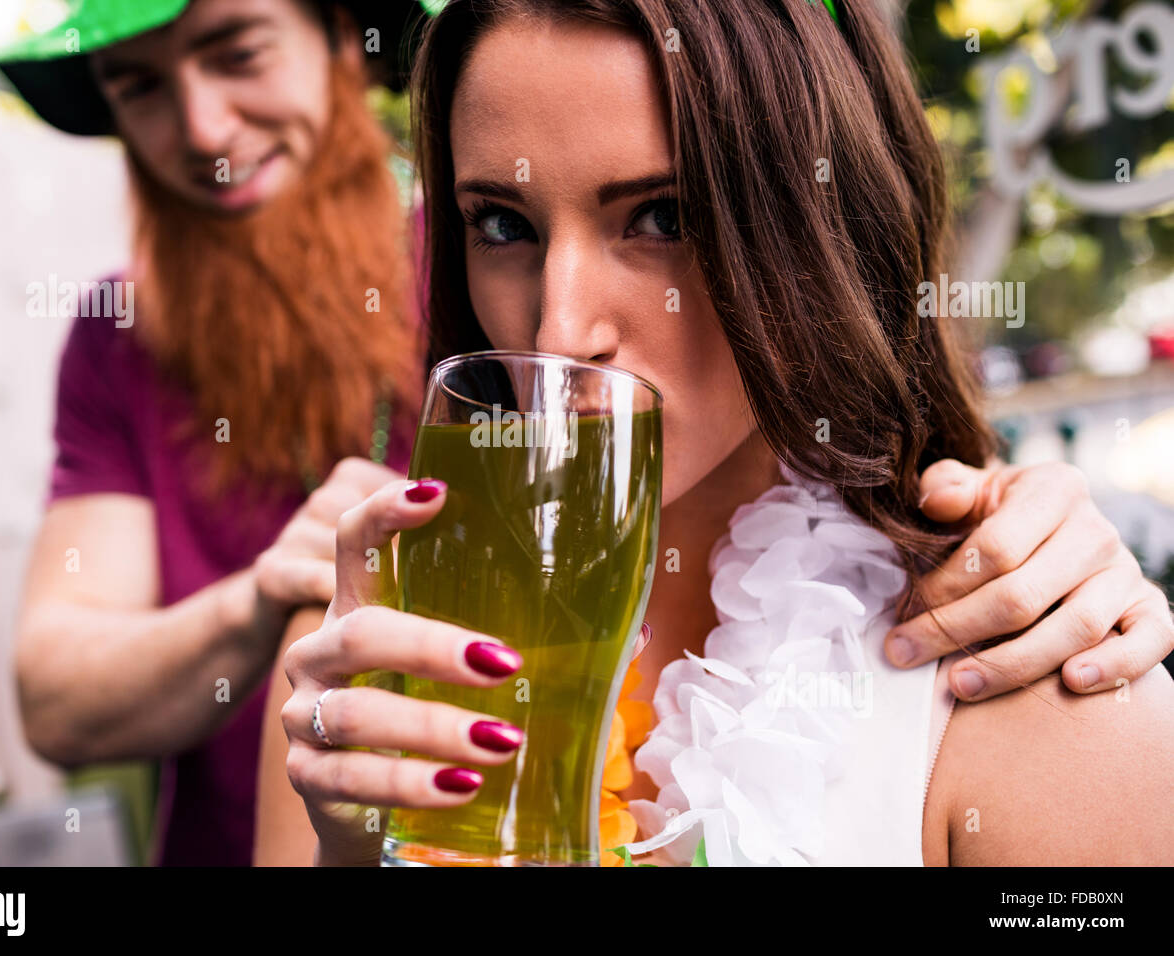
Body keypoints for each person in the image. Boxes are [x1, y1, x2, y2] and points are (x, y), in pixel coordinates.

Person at [276, 0, 1174, 866]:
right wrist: (353, 854)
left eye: (665, 216)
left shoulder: (1039, 686)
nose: (560, 332)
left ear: (824, 224)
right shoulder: (376, 648)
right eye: (503, 224)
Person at [0, 0, 434, 865]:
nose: (201, 127)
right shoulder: (117, 341)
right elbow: (56, 695)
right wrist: (263, 597)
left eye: (238, 53)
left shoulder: (488, 263)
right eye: (139, 86)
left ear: (342, 37)